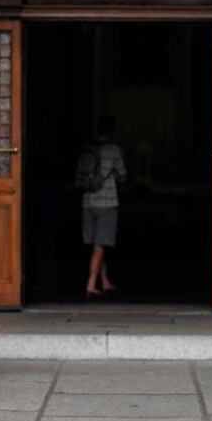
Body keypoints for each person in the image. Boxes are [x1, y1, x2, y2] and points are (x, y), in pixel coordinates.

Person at [82, 115, 126, 298]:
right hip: (107, 202)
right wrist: (115, 175)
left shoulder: (87, 148)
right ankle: (91, 284)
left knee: (96, 245)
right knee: (100, 244)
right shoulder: (114, 150)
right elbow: (122, 176)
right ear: (112, 131)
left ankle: (105, 281)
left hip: (87, 201)